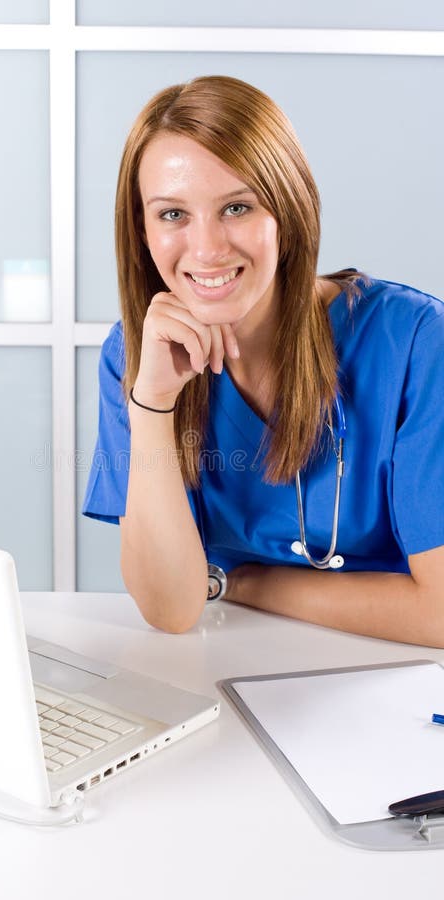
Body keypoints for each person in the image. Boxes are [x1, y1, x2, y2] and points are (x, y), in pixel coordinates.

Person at [82, 75, 444, 646]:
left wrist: (243, 582)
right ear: (142, 230)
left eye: (236, 206)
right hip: (225, 667)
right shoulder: (134, 356)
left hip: (388, 679)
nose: (206, 249)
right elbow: (170, 609)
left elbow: (440, 611)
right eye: (172, 214)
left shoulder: (416, 344)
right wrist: (152, 406)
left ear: (289, 211)